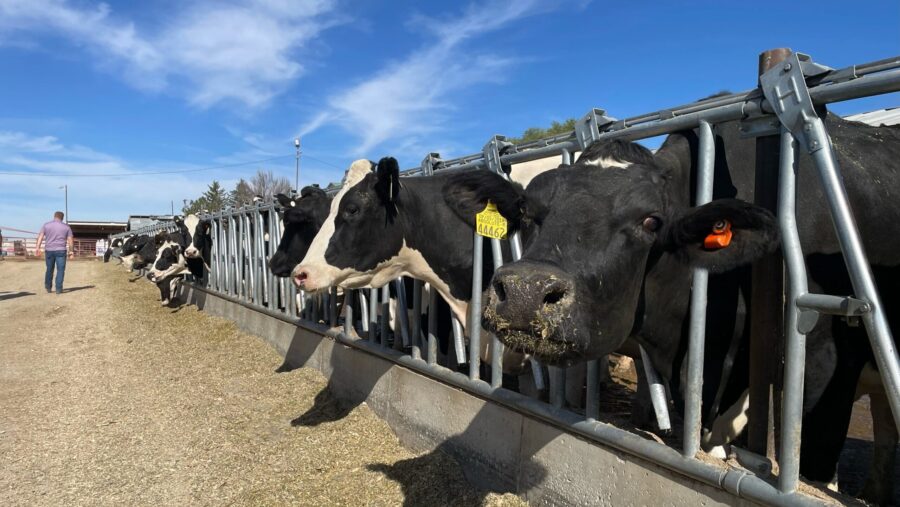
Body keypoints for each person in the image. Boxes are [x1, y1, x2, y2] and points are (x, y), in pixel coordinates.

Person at [35, 211, 74, 294]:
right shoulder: (66, 227)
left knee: (49, 269)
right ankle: (58, 289)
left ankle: (48, 287)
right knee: (60, 270)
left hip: (49, 250)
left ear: (54, 216)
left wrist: (37, 248)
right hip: (61, 250)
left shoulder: (46, 225)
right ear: (62, 218)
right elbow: (70, 240)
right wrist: (71, 252)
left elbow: (40, 236)